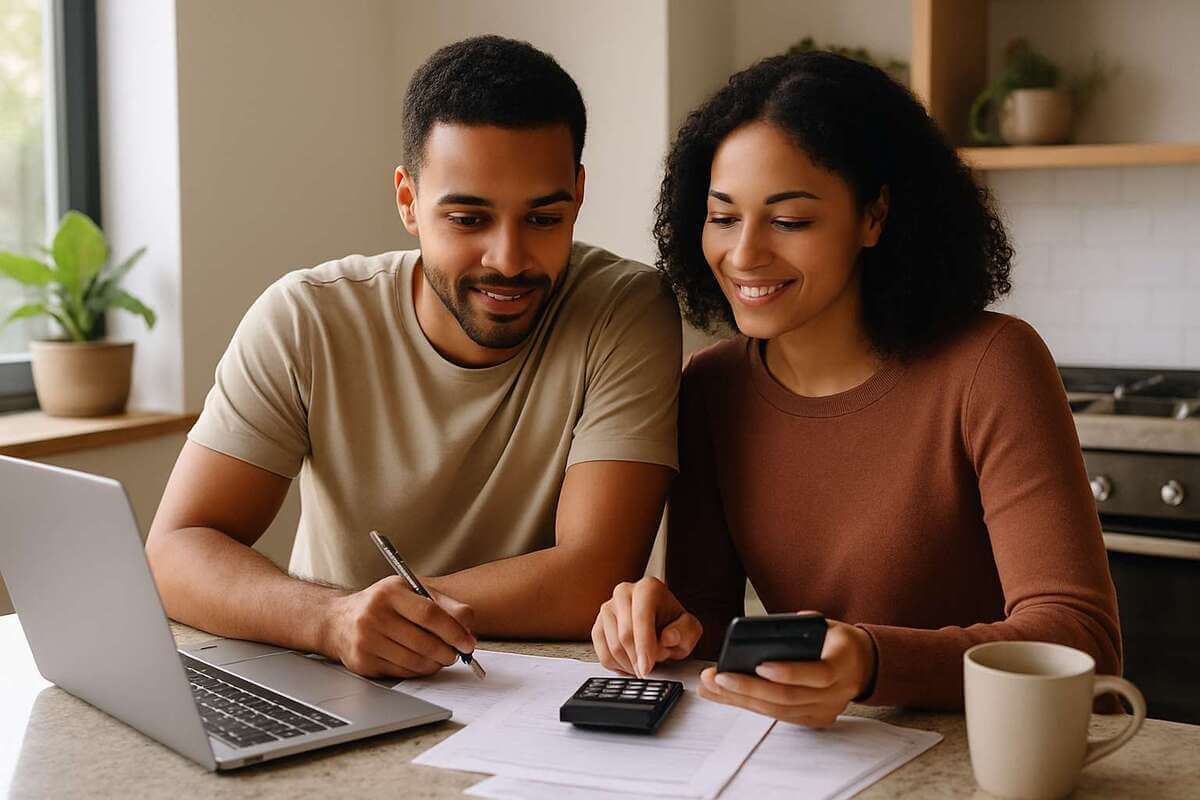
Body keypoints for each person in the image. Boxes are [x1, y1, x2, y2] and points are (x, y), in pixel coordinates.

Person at [591, 51, 1121, 727]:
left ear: (873, 218)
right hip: (829, 762)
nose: (745, 253)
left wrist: (871, 662)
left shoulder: (992, 364)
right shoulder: (711, 388)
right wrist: (663, 623)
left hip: (995, 757)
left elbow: (1083, 640)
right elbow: (711, 636)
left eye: (789, 220)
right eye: (723, 217)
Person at [147, 36, 681, 679]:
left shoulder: (625, 308)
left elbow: (592, 574)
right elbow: (176, 549)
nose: (508, 259)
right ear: (408, 200)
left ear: (578, 193)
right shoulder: (306, 317)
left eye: (543, 219)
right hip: (331, 672)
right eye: (467, 218)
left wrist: (386, 613)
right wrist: (332, 621)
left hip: (531, 686)